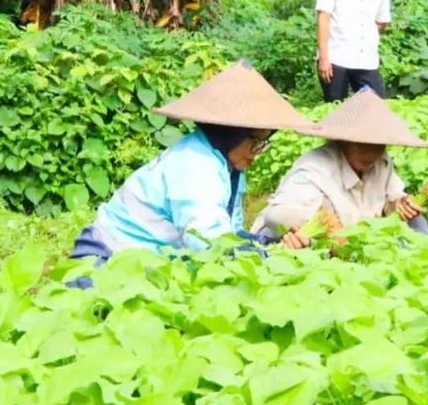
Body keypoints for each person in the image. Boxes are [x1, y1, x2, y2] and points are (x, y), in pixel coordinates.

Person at [69, 62, 311, 261]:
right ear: (233, 134)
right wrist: (266, 258)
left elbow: (228, 233)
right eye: (255, 142)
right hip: (107, 256)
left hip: (149, 262)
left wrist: (272, 245)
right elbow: (207, 242)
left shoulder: (226, 163)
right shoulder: (194, 164)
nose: (256, 153)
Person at [253, 88, 428, 248]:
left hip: (358, 246)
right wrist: (325, 228)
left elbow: (391, 197)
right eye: (361, 145)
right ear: (342, 141)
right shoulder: (316, 167)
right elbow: (277, 216)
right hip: (302, 245)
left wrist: (400, 204)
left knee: (417, 224)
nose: (370, 153)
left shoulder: (381, 163)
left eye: (377, 146)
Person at [315, 0, 391, 100]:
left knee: (377, 108)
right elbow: (323, 19)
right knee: (335, 110)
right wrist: (324, 58)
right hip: (336, 59)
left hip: (367, 61)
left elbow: (382, 22)